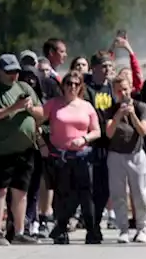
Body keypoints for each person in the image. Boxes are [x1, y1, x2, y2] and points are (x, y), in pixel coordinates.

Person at [0, 54, 45, 245]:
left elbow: (41, 113)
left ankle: (19, 231)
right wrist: (15, 107)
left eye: (16, 71)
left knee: (21, 191)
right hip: (2, 149)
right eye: (9, 72)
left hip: (25, 148)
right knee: (0, 189)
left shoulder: (25, 87)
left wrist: (29, 109)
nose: (14, 75)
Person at [44, 71, 103, 244]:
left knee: (85, 194)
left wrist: (84, 139)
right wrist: (42, 143)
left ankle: (91, 230)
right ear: (63, 86)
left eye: (76, 84)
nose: (72, 87)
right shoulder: (54, 104)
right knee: (63, 194)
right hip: (60, 155)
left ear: (80, 87)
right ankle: (61, 229)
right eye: (69, 83)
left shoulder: (86, 106)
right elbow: (35, 120)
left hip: (82, 154)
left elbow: (96, 131)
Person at [103, 70, 146, 243]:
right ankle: (123, 229)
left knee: (140, 194)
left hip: (136, 154)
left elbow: (143, 131)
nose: (122, 93)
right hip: (116, 155)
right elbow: (109, 133)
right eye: (118, 90)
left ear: (130, 88)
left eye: (124, 89)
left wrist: (131, 115)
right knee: (118, 194)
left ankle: (142, 228)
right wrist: (118, 116)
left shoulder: (141, 107)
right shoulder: (111, 110)